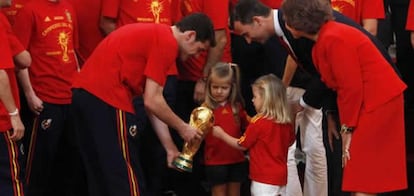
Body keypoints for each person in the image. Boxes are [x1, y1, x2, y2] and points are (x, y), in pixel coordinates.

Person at [70, 13, 215, 196]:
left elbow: (152, 104)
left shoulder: (154, 34)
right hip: (108, 97)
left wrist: (170, 147)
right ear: (190, 35)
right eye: (200, 49)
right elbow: (152, 100)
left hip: (83, 96)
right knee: (125, 175)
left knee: (100, 173)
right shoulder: (167, 42)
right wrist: (183, 127)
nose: (197, 56)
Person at [281, 0, 407, 195]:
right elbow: (337, 85)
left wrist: (347, 127)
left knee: (362, 173)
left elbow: (351, 87)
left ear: (297, 22)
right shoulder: (323, 41)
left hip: (378, 101)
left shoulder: (333, 38)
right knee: (362, 174)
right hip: (371, 101)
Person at [13, 0, 80, 195]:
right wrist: (30, 94)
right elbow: (20, 58)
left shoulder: (69, 7)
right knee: (39, 162)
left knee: (70, 158)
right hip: (44, 97)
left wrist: (78, 85)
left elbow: (73, 50)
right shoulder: (29, 10)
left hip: (70, 95)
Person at [212, 74, 295, 196]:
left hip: (262, 179)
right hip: (281, 178)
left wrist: (221, 134)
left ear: (266, 99)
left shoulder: (258, 122)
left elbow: (242, 144)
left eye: (255, 97)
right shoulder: (286, 122)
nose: (252, 100)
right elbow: (291, 142)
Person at [202, 62, 250, 196]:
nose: (219, 91)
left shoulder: (237, 107)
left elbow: (250, 127)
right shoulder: (204, 109)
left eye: (224, 87)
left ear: (231, 87)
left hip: (237, 159)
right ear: (209, 86)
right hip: (215, 162)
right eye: (215, 87)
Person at [0, 0, 29, 195]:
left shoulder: (2, 20)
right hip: (2, 119)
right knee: (11, 180)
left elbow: (23, 59)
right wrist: (14, 114)